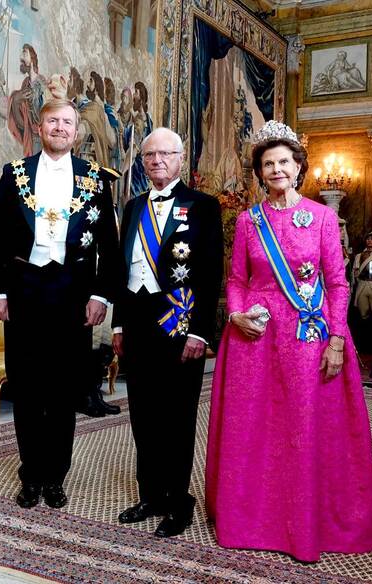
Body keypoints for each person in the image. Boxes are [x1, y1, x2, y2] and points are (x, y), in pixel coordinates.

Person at [205, 120, 372, 562]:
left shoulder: (322, 218)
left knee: (303, 426)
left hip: (307, 335)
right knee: (256, 426)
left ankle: (304, 520)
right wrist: (236, 313)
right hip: (256, 336)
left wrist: (338, 339)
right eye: (268, 164)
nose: (277, 169)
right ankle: (252, 517)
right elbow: (237, 279)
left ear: (299, 167)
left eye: (284, 161)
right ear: (260, 172)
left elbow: (338, 284)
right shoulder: (249, 221)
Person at [0, 99, 120, 509]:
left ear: (76, 131)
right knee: (25, 388)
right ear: (39, 127)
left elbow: (109, 247)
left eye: (67, 122)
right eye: (52, 121)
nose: (60, 128)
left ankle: (56, 476)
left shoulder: (97, 179)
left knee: (63, 389)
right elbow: (0, 236)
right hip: (25, 286)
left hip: (73, 291)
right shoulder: (15, 174)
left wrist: (100, 295)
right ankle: (30, 476)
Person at [113, 127, 223, 538]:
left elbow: (212, 273)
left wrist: (200, 333)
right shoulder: (133, 205)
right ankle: (151, 495)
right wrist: (119, 323)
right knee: (143, 413)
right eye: (150, 156)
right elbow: (122, 271)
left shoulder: (203, 206)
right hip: (137, 320)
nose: (157, 161)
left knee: (177, 416)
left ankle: (178, 502)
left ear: (181, 158)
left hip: (179, 321)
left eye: (165, 154)